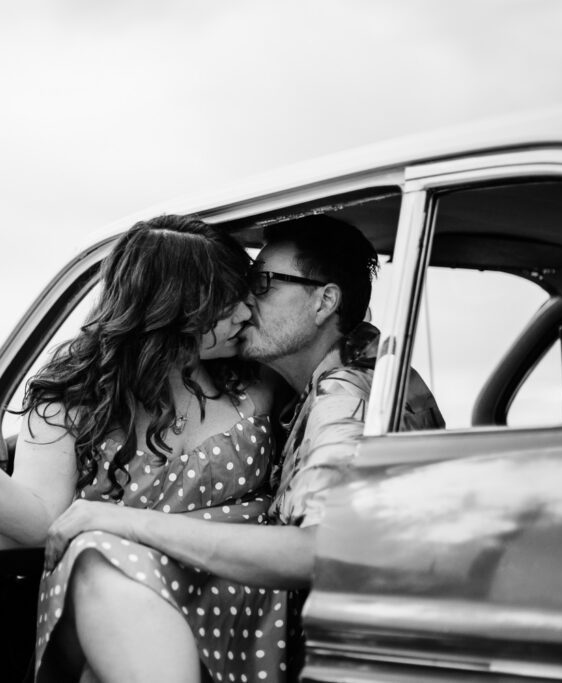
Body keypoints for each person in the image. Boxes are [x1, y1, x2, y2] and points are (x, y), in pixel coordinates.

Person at [44, 215, 444, 681]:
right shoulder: (342, 374)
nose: (244, 300)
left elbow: (317, 552)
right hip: (330, 633)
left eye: (264, 282)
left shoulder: (346, 397)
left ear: (325, 301)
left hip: (353, 646)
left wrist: (126, 520)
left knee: (99, 558)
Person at [0, 214, 282, 682]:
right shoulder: (74, 395)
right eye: (225, 305)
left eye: (244, 298)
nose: (245, 314)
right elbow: (42, 519)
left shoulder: (259, 374)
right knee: (100, 552)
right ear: (175, 308)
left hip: (249, 597)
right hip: (121, 593)